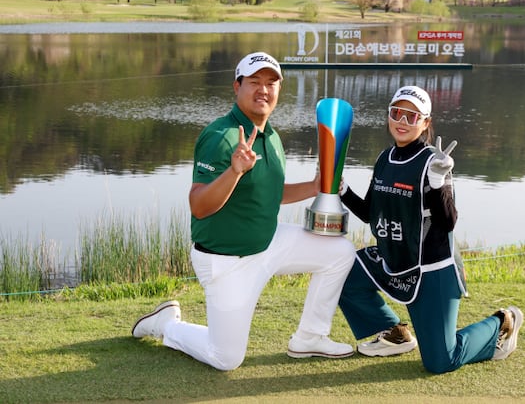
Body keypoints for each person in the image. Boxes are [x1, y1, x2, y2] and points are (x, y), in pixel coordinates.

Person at [131, 52, 356, 371]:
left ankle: (310, 337)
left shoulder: (270, 136)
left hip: (269, 243)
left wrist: (314, 186)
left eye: (271, 83)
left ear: (279, 90)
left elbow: (269, 194)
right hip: (228, 260)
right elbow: (199, 206)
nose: (264, 89)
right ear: (237, 87)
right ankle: (167, 325)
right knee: (226, 358)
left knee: (340, 252)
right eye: (254, 82)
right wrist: (234, 171)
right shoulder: (221, 137)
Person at [337, 85, 524, 374]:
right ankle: (396, 335)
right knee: (339, 273)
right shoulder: (385, 158)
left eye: (412, 116)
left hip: (431, 270)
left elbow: (448, 222)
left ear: (425, 123)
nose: (402, 121)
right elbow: (370, 215)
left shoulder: (433, 162)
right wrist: (344, 191)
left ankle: (502, 323)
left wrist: (437, 184)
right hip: (394, 260)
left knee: (441, 361)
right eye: (397, 113)